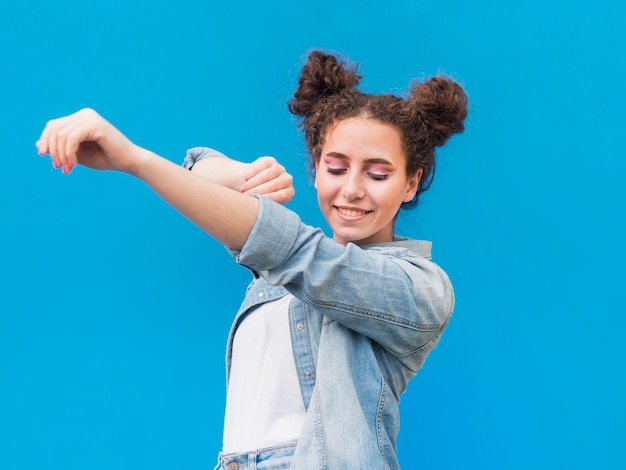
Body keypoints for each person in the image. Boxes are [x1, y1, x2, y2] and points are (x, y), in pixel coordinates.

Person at [37, 50, 468, 469]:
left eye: (377, 174)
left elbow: (293, 250)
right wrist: (247, 173)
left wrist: (134, 159)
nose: (352, 189)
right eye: (336, 168)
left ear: (411, 184)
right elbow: (202, 174)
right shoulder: (276, 277)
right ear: (314, 169)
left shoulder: (419, 288)